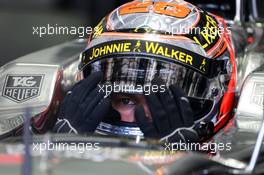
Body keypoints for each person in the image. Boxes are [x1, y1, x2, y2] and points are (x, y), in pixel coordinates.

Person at [53, 0, 236, 144]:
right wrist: (66, 153)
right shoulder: (66, 142)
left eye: (165, 100)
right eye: (125, 100)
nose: (142, 117)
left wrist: (183, 161)